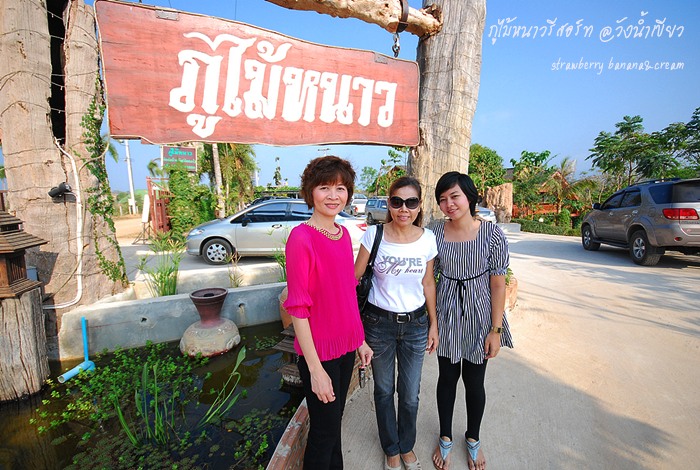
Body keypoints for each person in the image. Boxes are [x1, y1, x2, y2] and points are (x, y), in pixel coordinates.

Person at [284, 155, 374, 469]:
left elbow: (346, 293)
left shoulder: (342, 234)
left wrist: (360, 340)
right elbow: (298, 308)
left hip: (345, 347)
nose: (333, 196)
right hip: (319, 353)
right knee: (323, 435)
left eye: (340, 188)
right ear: (311, 192)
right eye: (324, 187)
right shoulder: (301, 238)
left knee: (335, 426)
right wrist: (315, 370)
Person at [428, 172, 513, 470]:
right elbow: (428, 279)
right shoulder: (434, 232)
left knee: (474, 382)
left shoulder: (492, 234)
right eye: (442, 199)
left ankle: (473, 437)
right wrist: (432, 322)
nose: (449, 204)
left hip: (480, 314)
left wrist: (495, 330)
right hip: (447, 312)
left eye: (455, 196)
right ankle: (445, 436)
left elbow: (499, 284)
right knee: (446, 378)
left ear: (470, 196)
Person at [355, 176, 439, 470]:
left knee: (410, 394)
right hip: (379, 324)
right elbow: (354, 279)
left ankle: (406, 445)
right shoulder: (374, 235)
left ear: (419, 205)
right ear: (389, 204)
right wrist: (357, 334)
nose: (404, 209)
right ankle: (390, 447)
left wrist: (433, 324)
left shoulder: (428, 239)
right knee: (383, 390)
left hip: (416, 325)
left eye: (411, 202)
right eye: (397, 201)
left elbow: (428, 283)